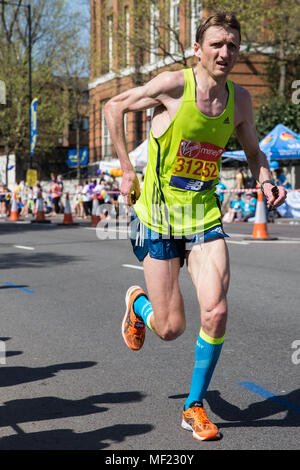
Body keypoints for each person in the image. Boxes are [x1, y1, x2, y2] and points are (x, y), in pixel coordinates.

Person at [104, 10, 286, 442]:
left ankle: (193, 406)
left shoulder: (240, 100)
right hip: (161, 218)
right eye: (217, 45)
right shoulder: (172, 86)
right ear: (198, 50)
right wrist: (127, 170)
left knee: (217, 309)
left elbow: (255, 152)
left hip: (203, 216)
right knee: (169, 329)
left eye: (233, 46)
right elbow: (112, 106)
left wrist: (266, 179)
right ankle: (139, 303)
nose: (225, 53)